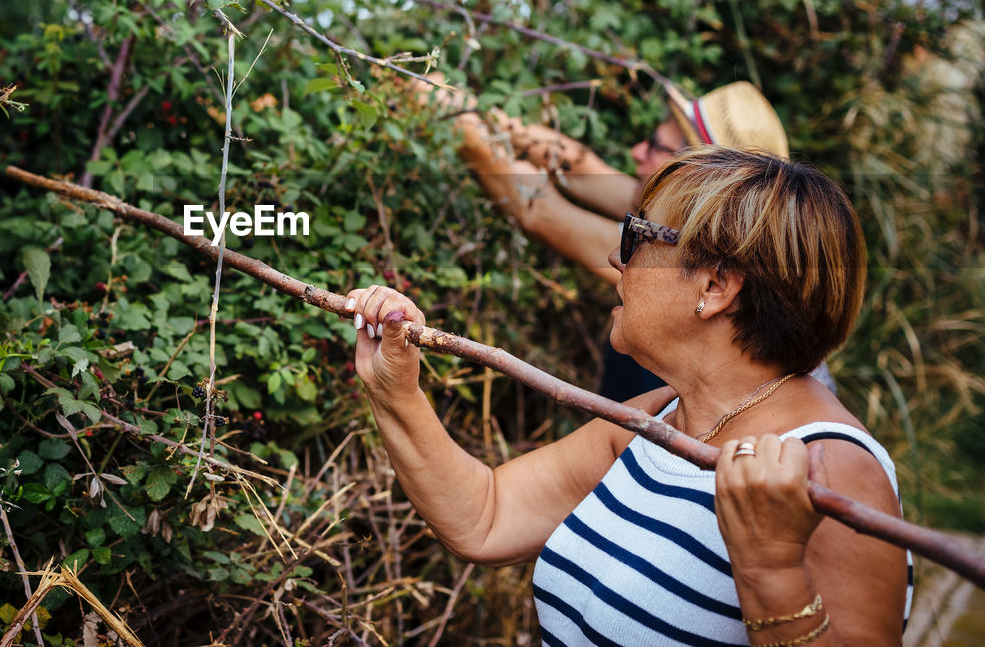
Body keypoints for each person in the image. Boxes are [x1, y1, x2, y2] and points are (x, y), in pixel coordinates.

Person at [342, 147, 910, 645]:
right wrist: (397, 391)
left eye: (637, 236)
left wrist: (772, 570)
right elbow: (487, 517)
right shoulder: (661, 419)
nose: (618, 258)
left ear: (714, 286)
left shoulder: (830, 468)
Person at [411, 76, 835, 400]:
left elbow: (538, 210)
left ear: (697, 180)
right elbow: (581, 167)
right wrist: (503, 125)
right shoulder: (696, 226)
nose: (636, 151)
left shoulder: (675, 256)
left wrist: (464, 129)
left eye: (656, 146)